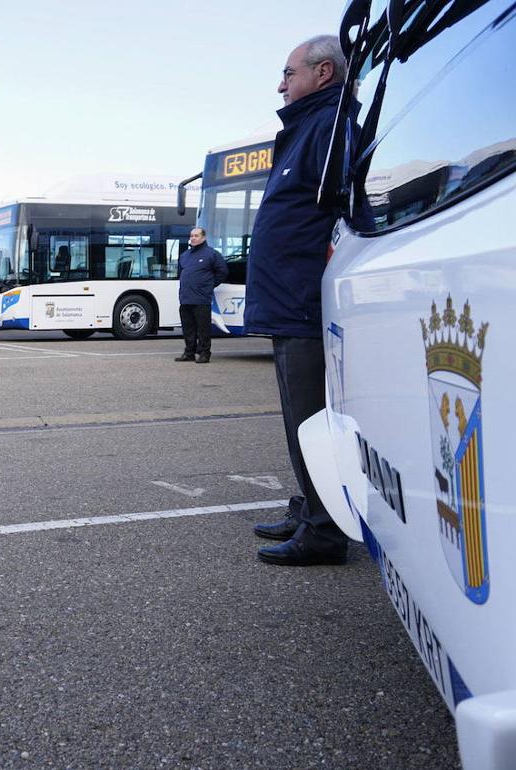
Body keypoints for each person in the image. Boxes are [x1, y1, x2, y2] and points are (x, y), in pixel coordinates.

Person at [245, 34, 350, 567]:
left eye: (289, 73)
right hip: (288, 301)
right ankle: (311, 505)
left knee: (311, 417)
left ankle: (324, 531)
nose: (281, 84)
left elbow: (337, 207)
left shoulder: (330, 125)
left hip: (304, 301)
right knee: (298, 416)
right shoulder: (309, 126)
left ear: (323, 72)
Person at [175, 227, 228, 363]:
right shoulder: (184, 255)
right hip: (185, 298)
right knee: (188, 328)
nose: (193, 238)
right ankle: (189, 352)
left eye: (196, 235)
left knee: (203, 328)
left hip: (201, 299)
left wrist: (209, 286)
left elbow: (222, 272)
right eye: (192, 235)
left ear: (203, 238)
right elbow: (182, 273)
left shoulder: (212, 254)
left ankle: (205, 353)